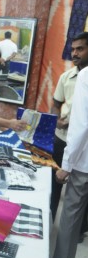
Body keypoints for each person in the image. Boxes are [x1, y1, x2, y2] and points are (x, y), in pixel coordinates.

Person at [49, 66, 88, 258]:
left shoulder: (85, 76)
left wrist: (67, 164)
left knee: (71, 218)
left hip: (84, 163)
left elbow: (82, 124)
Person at [50, 32, 88, 232]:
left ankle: (80, 229)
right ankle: (50, 220)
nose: (75, 53)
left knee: (81, 192)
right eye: (73, 49)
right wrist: (56, 119)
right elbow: (56, 103)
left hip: (85, 146)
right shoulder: (67, 77)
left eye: (80, 49)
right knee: (55, 182)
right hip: (62, 139)